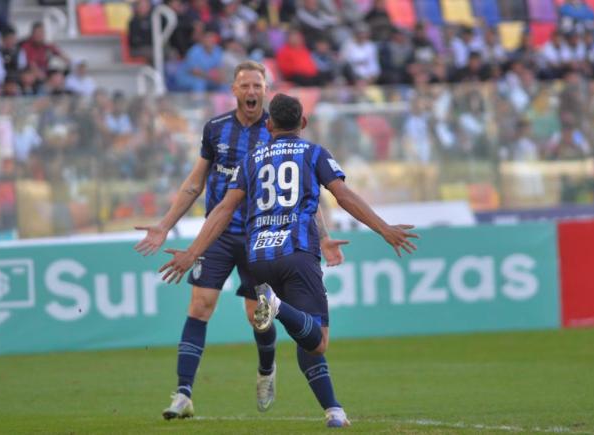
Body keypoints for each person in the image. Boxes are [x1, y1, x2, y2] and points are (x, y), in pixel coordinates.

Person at [158, 93, 419, 428]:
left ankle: (334, 410)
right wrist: (383, 228)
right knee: (318, 340)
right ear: (304, 123)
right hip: (296, 254)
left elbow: (223, 209)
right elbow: (343, 196)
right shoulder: (313, 153)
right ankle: (277, 307)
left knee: (303, 334)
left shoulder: (251, 159)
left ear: (269, 125)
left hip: (258, 259)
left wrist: (192, 252)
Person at [135, 61, 346, 420]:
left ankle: (266, 370)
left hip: (262, 236)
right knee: (200, 306)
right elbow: (194, 182)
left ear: (266, 91)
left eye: (257, 86)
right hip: (218, 234)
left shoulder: (276, 130)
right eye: (245, 85)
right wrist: (165, 224)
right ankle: (183, 393)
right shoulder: (215, 130)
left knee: (255, 316)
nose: (251, 92)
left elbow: (300, 194)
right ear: (233, 90)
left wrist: (323, 237)